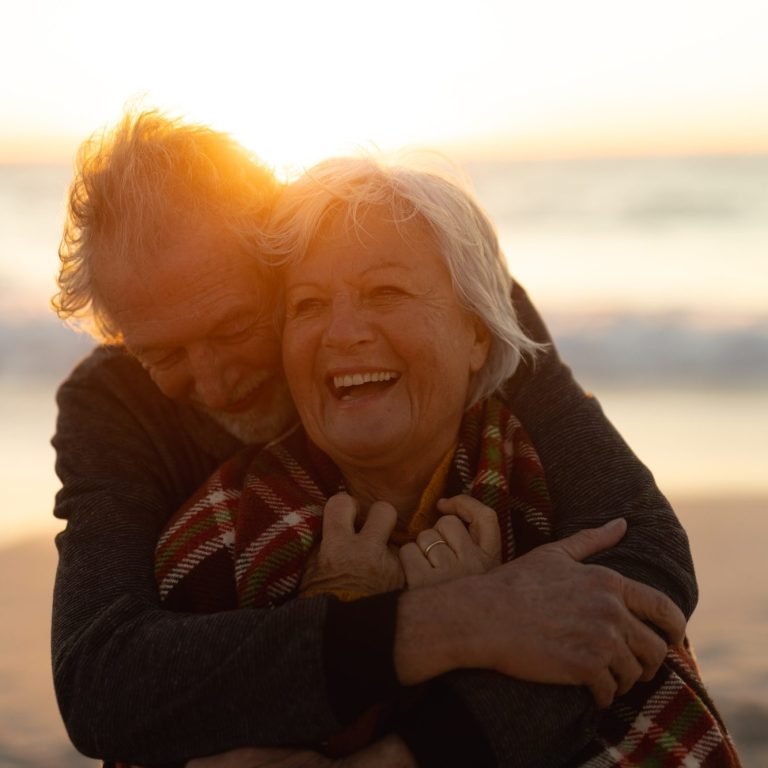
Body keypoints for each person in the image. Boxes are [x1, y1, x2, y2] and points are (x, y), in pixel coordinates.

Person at [51, 110, 699, 767]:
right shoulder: (111, 405)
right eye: (164, 355)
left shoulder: (452, 304)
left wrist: (414, 753)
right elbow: (100, 677)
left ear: (286, 262)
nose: (214, 384)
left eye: (233, 327)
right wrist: (458, 618)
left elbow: (644, 550)